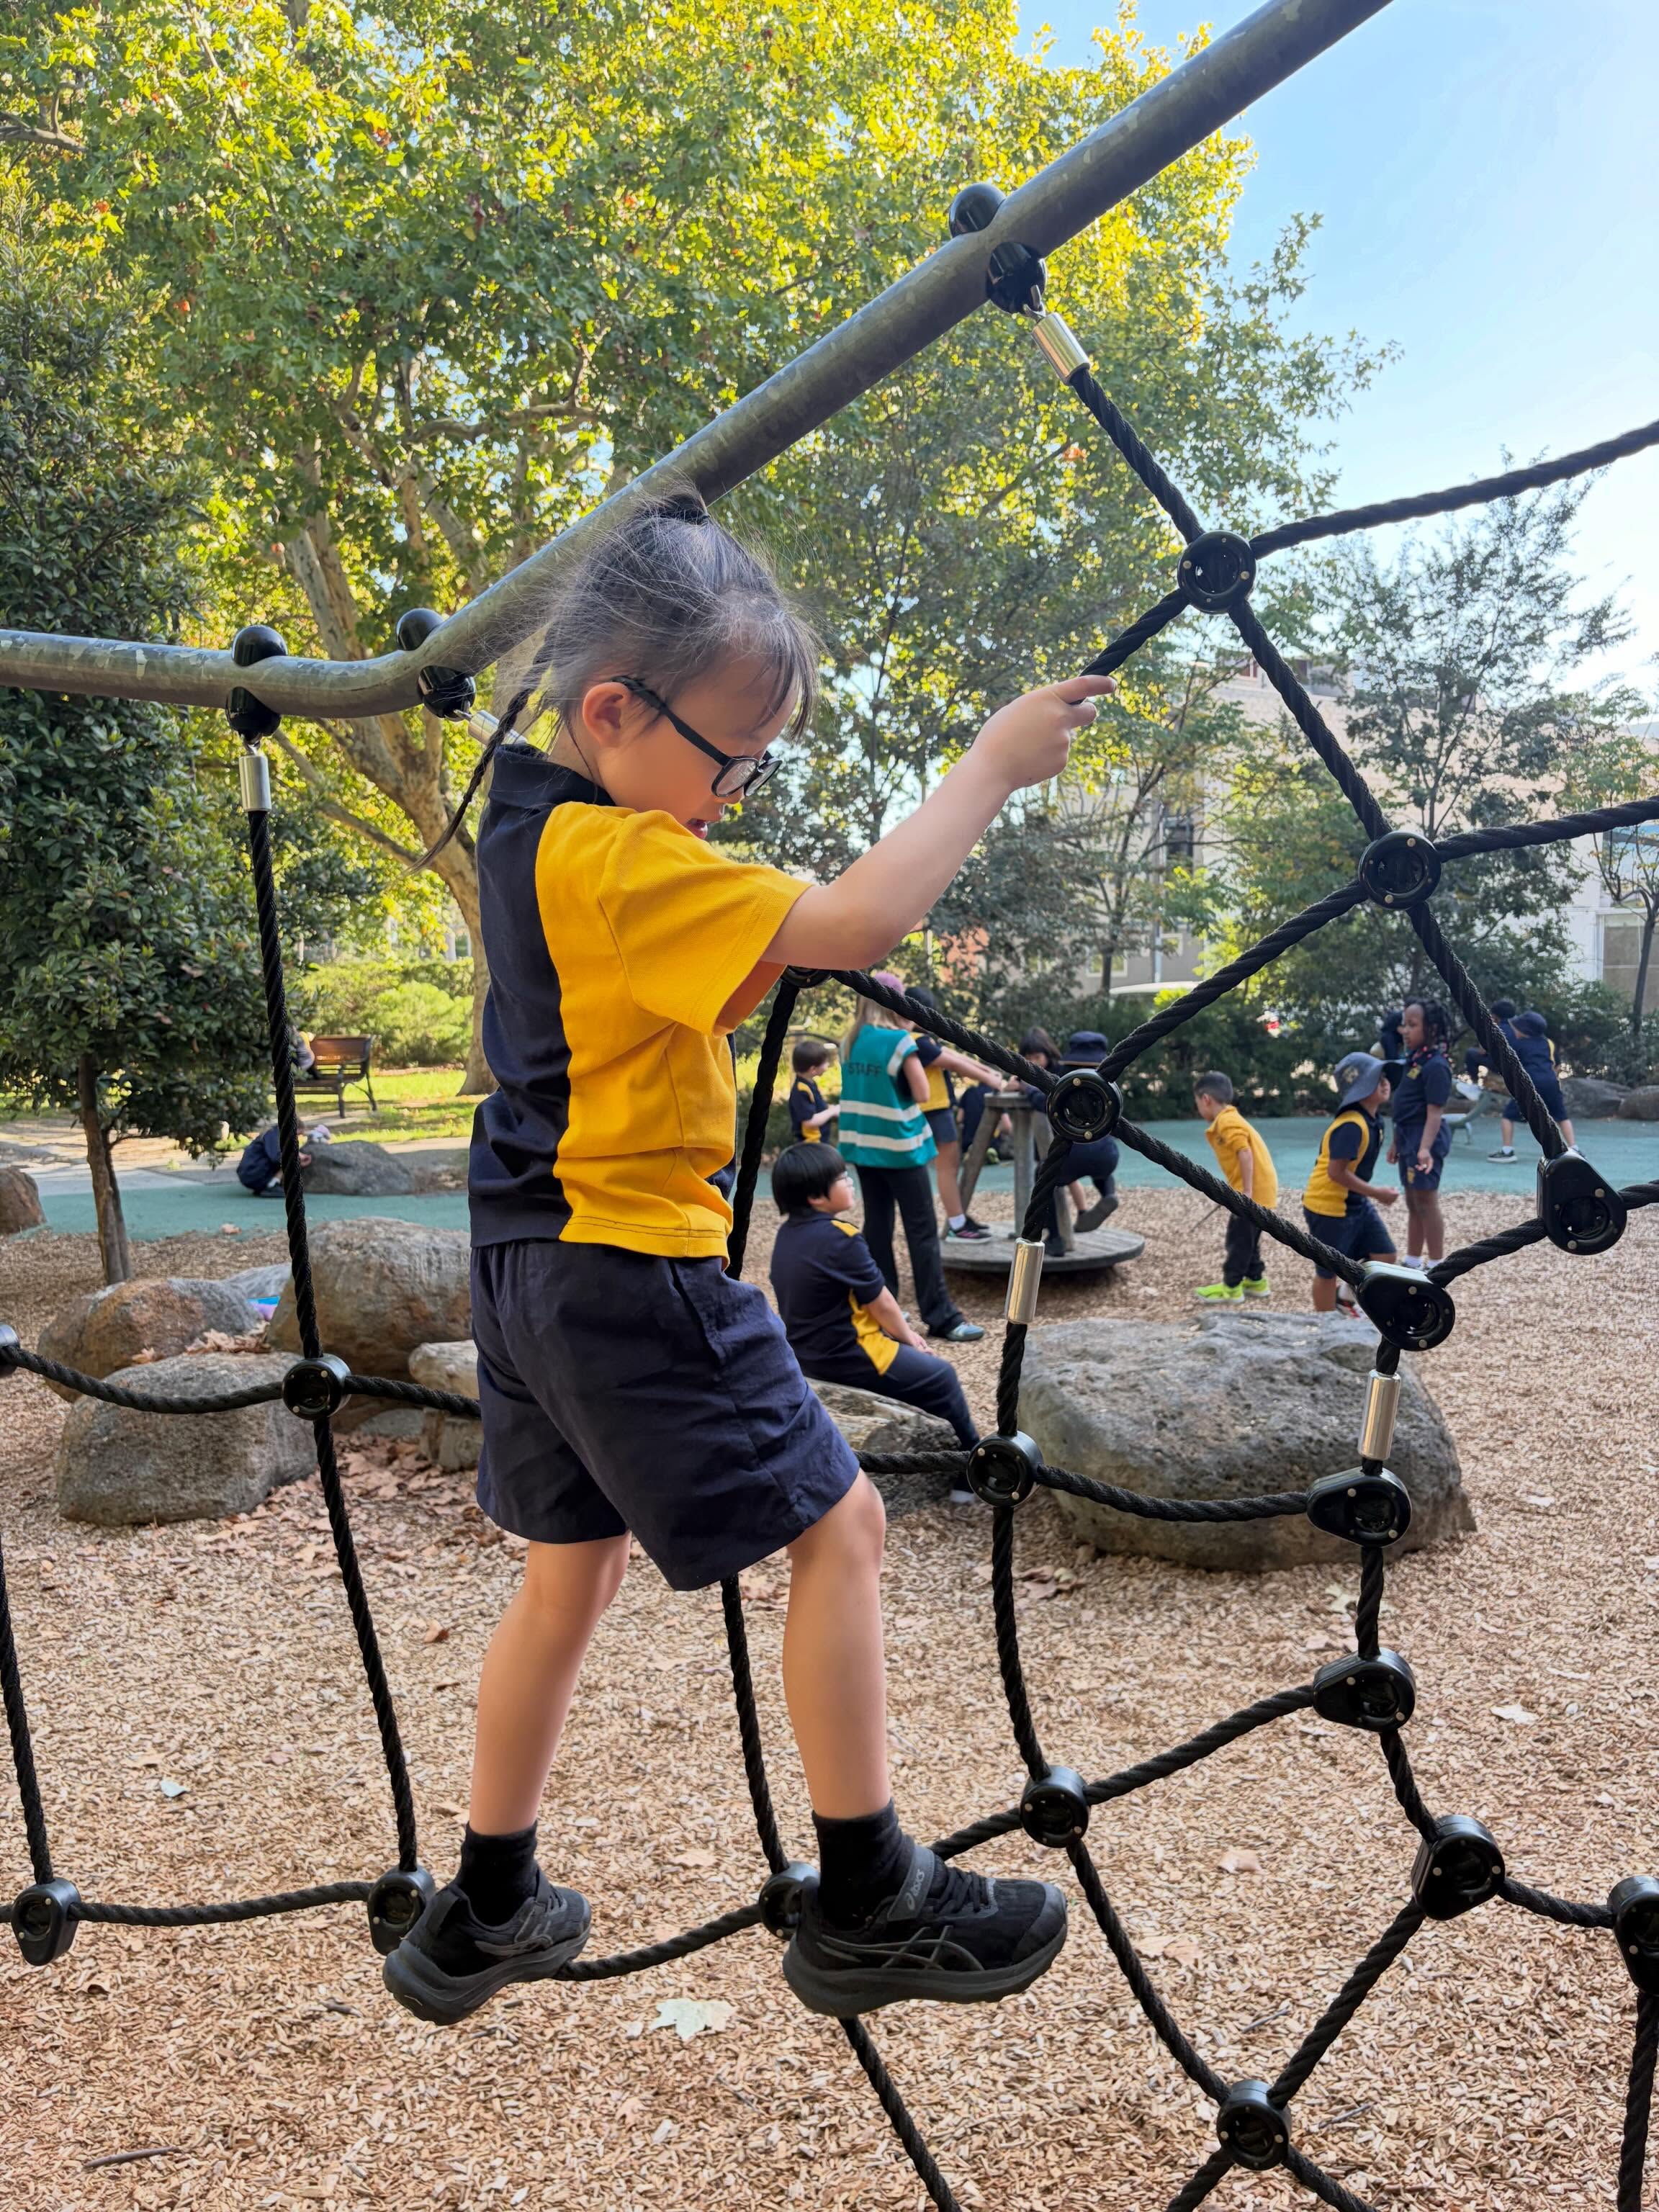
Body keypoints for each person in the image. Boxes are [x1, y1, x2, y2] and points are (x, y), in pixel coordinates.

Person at [378, 487, 1101, 2028]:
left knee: (565, 1577)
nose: (733, 796)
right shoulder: (624, 855)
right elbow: (848, 920)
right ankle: (870, 1898)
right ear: (614, 710)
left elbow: (648, 1003)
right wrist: (987, 764)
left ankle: (482, 1907)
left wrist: (749, 943)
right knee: (840, 1531)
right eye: (731, 762)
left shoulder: (531, 830)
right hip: (630, 1263)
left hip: (519, 1266)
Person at [768, 1143, 980, 1483]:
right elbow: (880, 1302)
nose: (849, 1181)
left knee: (922, 1377)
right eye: (841, 1177)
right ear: (816, 1197)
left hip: (808, 1354)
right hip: (850, 1354)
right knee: (941, 1378)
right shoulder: (842, 1237)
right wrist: (908, 1337)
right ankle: (972, 1470)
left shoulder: (787, 1235)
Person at [838, 979, 984, 1344]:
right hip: (900, 1147)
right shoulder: (899, 1042)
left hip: (862, 1146)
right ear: (893, 1003)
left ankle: (885, 1310)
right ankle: (941, 1316)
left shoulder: (849, 1042)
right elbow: (920, 1091)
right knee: (921, 1231)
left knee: (878, 1225)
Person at [1303, 1052, 1399, 1311]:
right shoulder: (1351, 1126)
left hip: (1355, 1202)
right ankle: (1326, 1328)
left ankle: (1345, 1297)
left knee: (1385, 1256)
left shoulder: (1373, 1120)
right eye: (1375, 1079)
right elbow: (1336, 1173)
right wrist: (1377, 1193)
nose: (1385, 1082)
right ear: (1360, 1090)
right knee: (1327, 1272)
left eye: (1384, 1076)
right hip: (1328, 1206)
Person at [904, 984, 999, 1243]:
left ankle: (958, 1219)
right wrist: (995, 1082)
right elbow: (954, 1062)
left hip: (935, 1110)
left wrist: (992, 1073)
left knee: (948, 1166)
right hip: (931, 1110)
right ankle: (958, 1223)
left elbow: (953, 1055)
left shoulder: (920, 1041)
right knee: (947, 1167)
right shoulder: (915, 1042)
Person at [1190, 1071, 1277, 1300]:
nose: (1199, 1108)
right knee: (1249, 1239)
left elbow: (1244, 1152)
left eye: (1198, 1103)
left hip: (1252, 1193)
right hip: (1260, 1191)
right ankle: (1256, 1281)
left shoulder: (1227, 1121)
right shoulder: (1230, 1118)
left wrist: (1246, 1192)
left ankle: (1231, 1288)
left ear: (1206, 1099)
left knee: (1237, 1240)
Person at [1388, 999, 1453, 1267]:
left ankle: (1437, 1263)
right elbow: (1404, 1107)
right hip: (1407, 1138)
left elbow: (1434, 1113)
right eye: (1404, 1024)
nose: (1405, 1031)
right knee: (1413, 1200)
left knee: (1427, 1200)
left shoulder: (1436, 1065)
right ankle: (1413, 1260)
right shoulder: (1414, 1059)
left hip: (1424, 1138)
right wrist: (1395, 1142)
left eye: (1412, 1025)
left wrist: (1424, 1149)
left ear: (1432, 1029)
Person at [1480, 1008, 1577, 1160]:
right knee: (1561, 1115)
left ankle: (1507, 1151)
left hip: (1531, 1083)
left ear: (1524, 1031)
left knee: (1507, 1116)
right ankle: (1574, 1149)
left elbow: (1508, 1064)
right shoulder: (1547, 1043)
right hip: (1551, 1082)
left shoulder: (1519, 1045)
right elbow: (1556, 1064)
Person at [1057, 1031, 1122, 1233]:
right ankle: (1108, 1194)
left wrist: (1027, 1090)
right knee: (1103, 1162)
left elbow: (1043, 1103)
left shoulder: (1063, 1084)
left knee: (1042, 1176)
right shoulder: (1110, 1087)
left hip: (1072, 1155)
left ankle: (1055, 1239)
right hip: (1106, 1154)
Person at [235, 1121, 326, 1195]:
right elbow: (276, 1157)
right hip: (252, 1173)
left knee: (289, 1157)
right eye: (297, 1134)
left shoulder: (276, 1133)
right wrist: (296, 1158)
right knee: (287, 1159)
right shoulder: (274, 1134)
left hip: (251, 1172)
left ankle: (265, 1186)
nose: (297, 1138)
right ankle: (272, 1185)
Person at [786, 1035, 839, 1145]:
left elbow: (816, 1107)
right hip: (811, 1146)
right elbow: (809, 1122)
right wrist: (831, 1112)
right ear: (813, 1069)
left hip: (819, 1143)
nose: (828, 1065)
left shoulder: (810, 1084)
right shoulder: (801, 1091)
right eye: (825, 1063)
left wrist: (829, 1108)